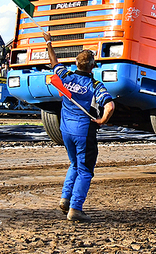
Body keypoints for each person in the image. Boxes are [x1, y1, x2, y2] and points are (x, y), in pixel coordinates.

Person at [43, 31, 115, 222]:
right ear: (93, 66)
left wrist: (49, 42)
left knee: (74, 164)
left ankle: (65, 199)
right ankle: (75, 208)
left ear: (76, 64)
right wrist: (102, 120)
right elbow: (110, 105)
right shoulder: (96, 85)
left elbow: (54, 63)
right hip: (84, 132)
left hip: (65, 130)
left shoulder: (66, 77)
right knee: (85, 170)